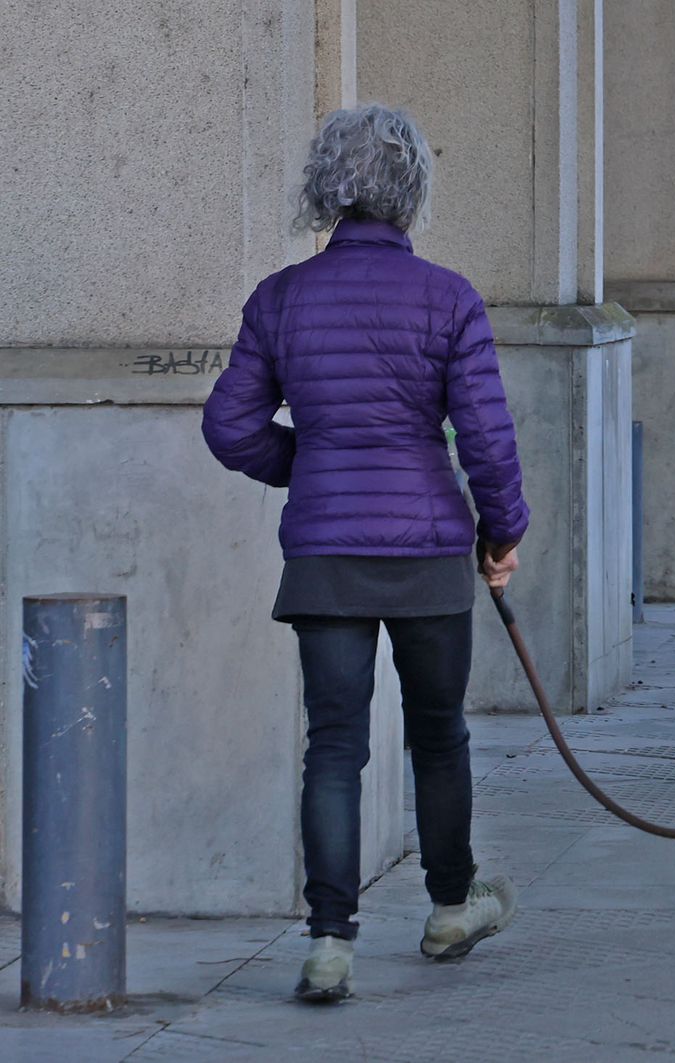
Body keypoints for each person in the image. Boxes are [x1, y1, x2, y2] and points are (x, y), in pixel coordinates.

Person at [202, 104, 528, 1002]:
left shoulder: (280, 297)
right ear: (412, 190)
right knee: (440, 737)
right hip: (426, 547)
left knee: (335, 747)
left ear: (325, 188)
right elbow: (488, 441)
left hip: (325, 553)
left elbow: (228, 425)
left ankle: (329, 942)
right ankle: (452, 906)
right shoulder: (449, 297)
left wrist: (307, 464)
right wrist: (501, 534)